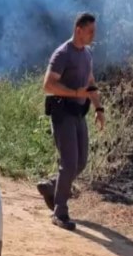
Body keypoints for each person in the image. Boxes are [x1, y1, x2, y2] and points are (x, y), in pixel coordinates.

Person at [39, 12, 105, 231]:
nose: (93, 35)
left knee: (81, 161)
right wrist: (74, 92)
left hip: (79, 113)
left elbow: (91, 82)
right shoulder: (62, 54)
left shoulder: (87, 54)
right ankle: (60, 211)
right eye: (90, 31)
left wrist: (99, 108)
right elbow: (48, 85)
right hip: (62, 113)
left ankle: (54, 186)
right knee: (69, 162)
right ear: (78, 30)